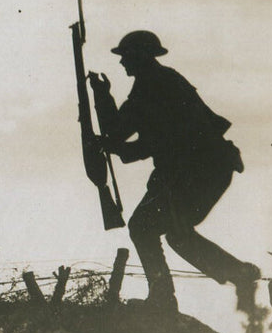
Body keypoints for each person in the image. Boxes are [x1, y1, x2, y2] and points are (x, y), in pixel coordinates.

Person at [89, 30, 260, 315]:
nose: (122, 63)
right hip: (204, 171)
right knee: (176, 234)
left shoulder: (152, 87)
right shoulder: (160, 82)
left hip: (194, 172)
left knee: (143, 228)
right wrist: (111, 134)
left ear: (140, 57)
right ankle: (238, 274)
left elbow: (121, 132)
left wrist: (102, 98)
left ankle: (164, 300)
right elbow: (133, 137)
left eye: (126, 57)